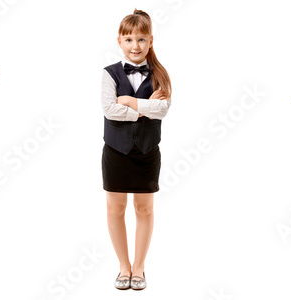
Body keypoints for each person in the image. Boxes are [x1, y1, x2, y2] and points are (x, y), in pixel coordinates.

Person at [100, 9, 171, 291]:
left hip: (147, 151)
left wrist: (128, 100)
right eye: (129, 39)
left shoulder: (160, 74)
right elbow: (108, 109)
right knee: (115, 208)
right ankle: (123, 267)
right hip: (115, 150)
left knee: (144, 208)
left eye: (141, 39)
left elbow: (163, 109)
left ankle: (139, 267)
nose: (135, 46)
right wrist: (143, 109)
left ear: (150, 40)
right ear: (119, 41)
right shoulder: (109, 74)